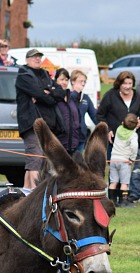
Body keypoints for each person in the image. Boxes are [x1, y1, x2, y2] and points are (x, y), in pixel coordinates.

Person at [15, 48, 65, 189]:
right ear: (27, 60)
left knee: (43, 161)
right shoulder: (23, 76)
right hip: (31, 124)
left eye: (39, 57)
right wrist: (47, 94)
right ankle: (35, 193)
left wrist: (48, 93)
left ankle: (27, 191)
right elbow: (40, 94)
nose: (37, 59)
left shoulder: (45, 74)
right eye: (34, 57)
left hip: (47, 124)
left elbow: (60, 92)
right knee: (35, 160)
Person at [97, 71, 140, 160]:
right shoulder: (110, 96)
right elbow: (99, 115)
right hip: (115, 143)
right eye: (124, 83)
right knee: (114, 171)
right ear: (119, 83)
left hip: (133, 141)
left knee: (133, 171)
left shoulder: (138, 96)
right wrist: (107, 130)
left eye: (130, 83)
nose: (127, 86)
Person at [108, 113, 138, 207]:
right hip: (124, 161)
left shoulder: (118, 129)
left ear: (123, 123)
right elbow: (134, 146)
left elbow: (127, 129)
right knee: (124, 182)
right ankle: (123, 201)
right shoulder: (133, 135)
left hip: (114, 160)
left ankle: (111, 201)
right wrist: (132, 159)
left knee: (113, 181)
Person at [52, 68, 81, 155]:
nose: (64, 82)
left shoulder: (71, 99)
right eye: (61, 79)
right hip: (58, 145)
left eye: (66, 80)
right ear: (55, 80)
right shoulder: (52, 98)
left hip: (73, 145)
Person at [69, 69, 97, 153]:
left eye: (84, 81)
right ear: (73, 81)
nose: (83, 84)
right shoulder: (67, 95)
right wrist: (75, 93)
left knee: (78, 162)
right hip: (68, 136)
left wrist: (104, 128)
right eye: (81, 81)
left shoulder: (85, 98)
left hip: (81, 135)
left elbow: (94, 115)